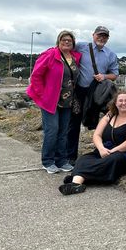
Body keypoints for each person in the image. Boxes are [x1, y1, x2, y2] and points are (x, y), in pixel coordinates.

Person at [59, 91, 126, 195]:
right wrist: (101, 148)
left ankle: (77, 177)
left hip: (124, 152)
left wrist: (113, 150)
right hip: (105, 149)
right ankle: (76, 184)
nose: (123, 103)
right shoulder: (109, 116)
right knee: (83, 159)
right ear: (115, 103)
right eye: (120, 100)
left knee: (111, 160)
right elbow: (97, 135)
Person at [26, 30, 81, 174]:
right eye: (64, 39)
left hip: (67, 101)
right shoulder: (50, 55)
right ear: (58, 41)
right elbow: (36, 75)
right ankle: (48, 161)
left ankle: (61, 160)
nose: (67, 42)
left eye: (69, 40)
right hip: (50, 100)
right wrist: (42, 95)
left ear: (73, 43)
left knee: (63, 132)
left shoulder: (75, 57)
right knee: (52, 131)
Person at [66, 26, 119, 164]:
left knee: (106, 120)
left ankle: (105, 150)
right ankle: (70, 156)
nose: (101, 38)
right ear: (93, 35)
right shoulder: (81, 46)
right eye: (99, 35)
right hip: (80, 91)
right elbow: (65, 51)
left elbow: (114, 75)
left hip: (98, 93)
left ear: (108, 38)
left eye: (105, 36)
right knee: (74, 122)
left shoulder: (110, 54)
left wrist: (104, 76)